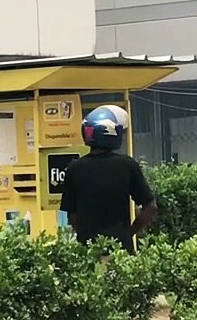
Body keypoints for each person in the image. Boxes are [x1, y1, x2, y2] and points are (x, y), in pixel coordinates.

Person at [58, 105, 158, 252]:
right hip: (120, 251)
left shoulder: (75, 169)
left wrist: (85, 237)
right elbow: (151, 207)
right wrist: (128, 233)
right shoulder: (127, 165)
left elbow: (72, 215)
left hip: (89, 253)